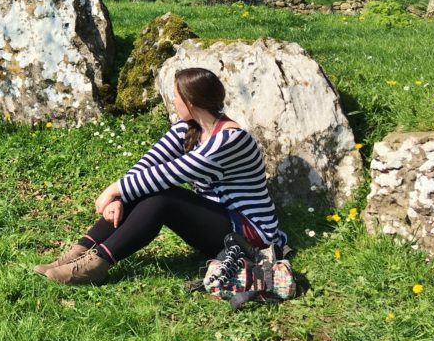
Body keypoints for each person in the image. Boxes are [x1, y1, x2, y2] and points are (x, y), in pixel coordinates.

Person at [34, 66, 288, 285]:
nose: (173, 101)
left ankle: (95, 265)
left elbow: (173, 172)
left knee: (162, 197)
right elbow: (149, 164)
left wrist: (114, 190)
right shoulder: (189, 129)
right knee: (146, 187)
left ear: (190, 101)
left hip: (250, 235)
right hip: (218, 224)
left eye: (176, 96)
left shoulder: (231, 139)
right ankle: (76, 254)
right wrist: (120, 197)